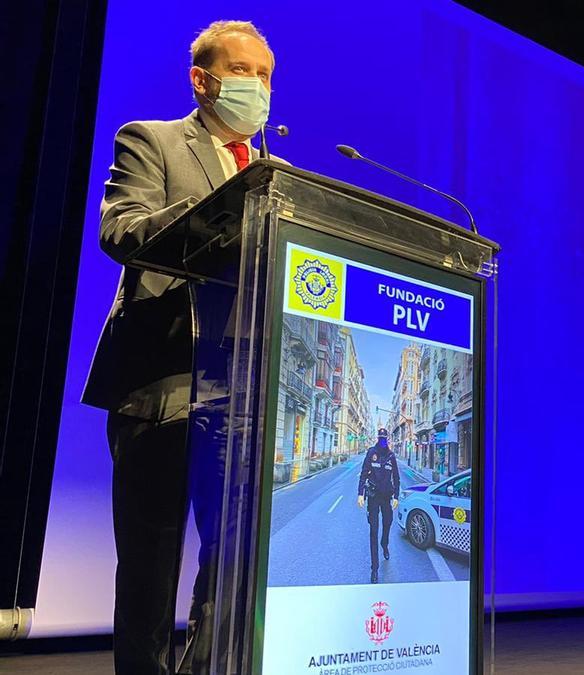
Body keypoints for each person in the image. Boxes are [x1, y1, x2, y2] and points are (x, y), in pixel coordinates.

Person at [79, 20, 278, 675]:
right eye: (246, 71)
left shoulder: (277, 176)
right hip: (162, 386)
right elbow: (121, 229)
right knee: (149, 570)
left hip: (242, 395)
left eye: (267, 75)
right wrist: (217, 212)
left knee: (231, 566)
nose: (260, 87)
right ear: (203, 79)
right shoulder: (152, 141)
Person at [358, 428, 402, 583]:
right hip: (374, 498)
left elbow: (396, 477)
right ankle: (374, 568)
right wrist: (360, 494)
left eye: (385, 438)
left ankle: (385, 544)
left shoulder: (391, 456)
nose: (383, 440)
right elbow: (363, 473)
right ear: (378, 438)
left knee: (388, 523)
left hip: (387, 498)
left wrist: (396, 496)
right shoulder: (371, 453)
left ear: (387, 439)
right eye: (381, 438)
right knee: (373, 531)